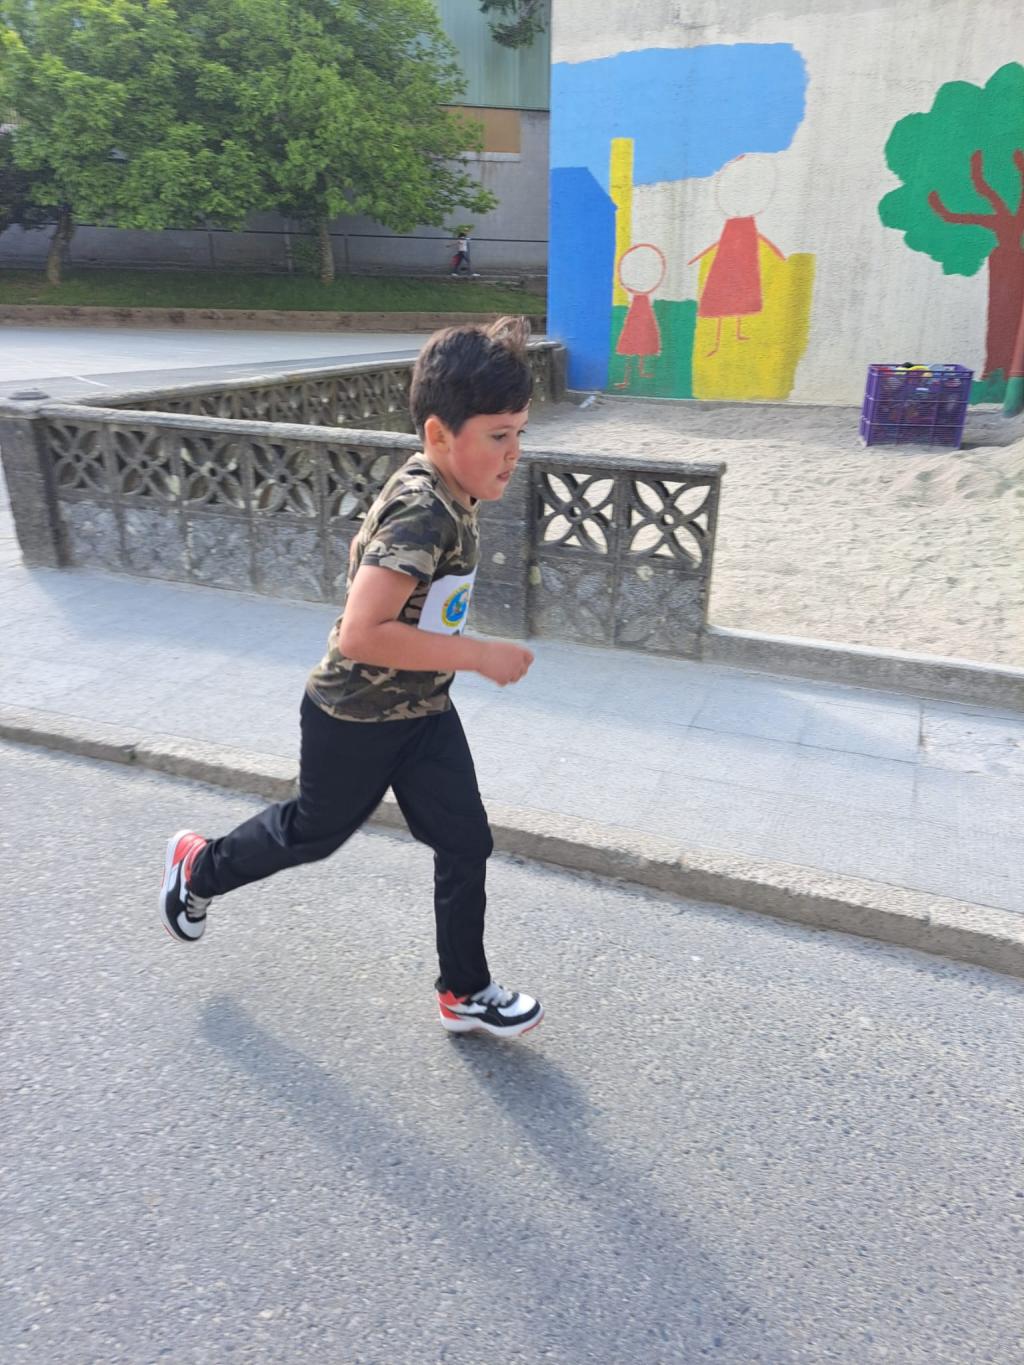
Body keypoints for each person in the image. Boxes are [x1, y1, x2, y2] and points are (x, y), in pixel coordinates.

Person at [159, 318, 543, 1039]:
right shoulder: (422, 511)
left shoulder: (451, 489)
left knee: (465, 841)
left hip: (422, 711)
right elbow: (363, 632)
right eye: (499, 435)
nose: (514, 453)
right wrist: (479, 655)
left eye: (520, 432)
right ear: (439, 434)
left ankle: (464, 991)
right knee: (312, 833)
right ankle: (198, 867)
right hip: (354, 717)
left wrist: (453, 658)